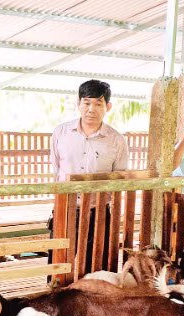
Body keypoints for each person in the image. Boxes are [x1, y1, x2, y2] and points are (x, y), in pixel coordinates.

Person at [48, 79, 128, 275]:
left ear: (107, 107)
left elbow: (120, 179)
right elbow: (56, 169)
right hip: (65, 210)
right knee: (58, 268)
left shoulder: (117, 140)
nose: (91, 109)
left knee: (97, 270)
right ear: (78, 104)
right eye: (87, 102)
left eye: (98, 104)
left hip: (99, 212)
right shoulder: (61, 132)